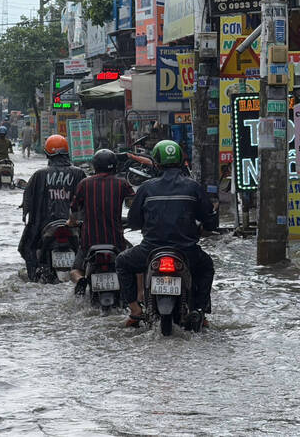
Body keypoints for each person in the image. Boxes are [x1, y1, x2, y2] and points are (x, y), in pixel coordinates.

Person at [116, 140, 218, 328]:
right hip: (187, 252)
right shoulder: (193, 187)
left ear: (156, 163)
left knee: (122, 262)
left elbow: (133, 221)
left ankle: (135, 310)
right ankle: (200, 312)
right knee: (206, 267)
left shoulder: (146, 188)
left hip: (150, 250)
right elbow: (211, 221)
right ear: (180, 162)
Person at [18, 135, 87, 281]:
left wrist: (25, 213)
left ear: (47, 153)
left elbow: (28, 200)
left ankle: (34, 277)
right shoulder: (79, 173)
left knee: (26, 247)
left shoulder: (39, 175)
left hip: (44, 225)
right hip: (74, 226)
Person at [67, 149, 135, 294]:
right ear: (114, 166)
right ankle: (138, 297)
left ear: (95, 166)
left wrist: (71, 222)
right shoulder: (122, 183)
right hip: (116, 240)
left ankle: (81, 280)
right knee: (132, 266)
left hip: (89, 240)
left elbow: (74, 208)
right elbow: (133, 204)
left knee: (74, 271)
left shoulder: (84, 183)